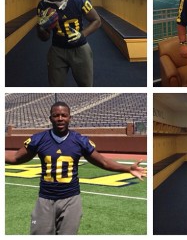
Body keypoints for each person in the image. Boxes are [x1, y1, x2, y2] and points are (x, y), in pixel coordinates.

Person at [5, 101, 147, 235]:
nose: (60, 118)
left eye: (64, 115)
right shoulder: (39, 139)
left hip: (71, 199)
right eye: (56, 115)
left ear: (69, 118)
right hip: (45, 198)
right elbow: (15, 158)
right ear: (50, 118)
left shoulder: (79, 140)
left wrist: (128, 169)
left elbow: (103, 162)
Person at [36, 0, 102, 87]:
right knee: (55, 86)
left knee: (86, 86)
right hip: (57, 49)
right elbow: (44, 38)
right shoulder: (43, 6)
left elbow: (97, 20)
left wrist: (83, 34)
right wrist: (41, 27)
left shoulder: (79, 0)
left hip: (80, 48)